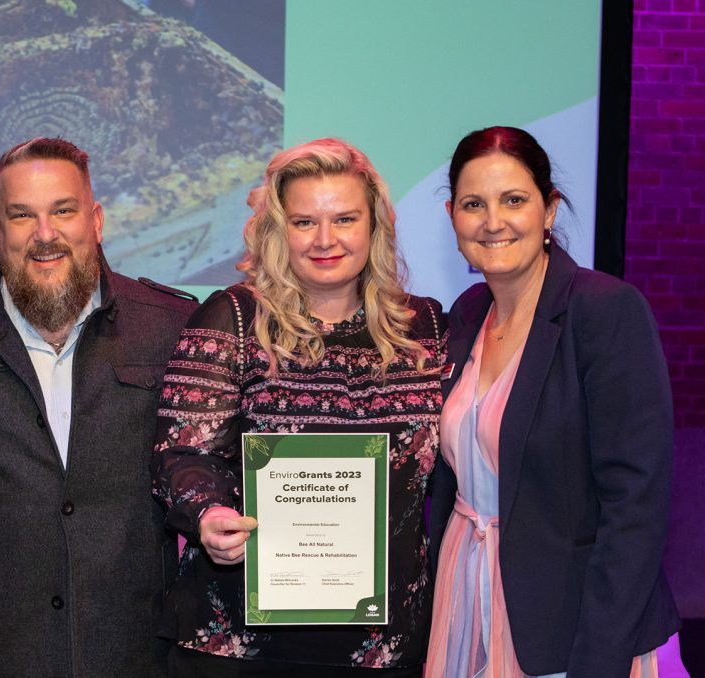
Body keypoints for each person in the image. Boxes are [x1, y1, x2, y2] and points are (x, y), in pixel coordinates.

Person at [0, 137, 197, 677]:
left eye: (63, 211)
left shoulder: (172, 327)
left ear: (95, 221)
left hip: (137, 646)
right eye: (22, 215)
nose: (44, 234)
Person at [151, 139, 445, 677]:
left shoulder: (424, 328)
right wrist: (209, 514)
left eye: (345, 219)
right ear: (276, 231)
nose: (326, 240)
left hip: (384, 646)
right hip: (241, 643)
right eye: (304, 221)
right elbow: (182, 450)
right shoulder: (235, 318)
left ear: (375, 226)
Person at [425, 126, 680, 678]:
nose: (493, 221)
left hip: (571, 625)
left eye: (513, 200)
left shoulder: (605, 311)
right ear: (452, 218)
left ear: (549, 210)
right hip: (465, 597)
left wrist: (600, 658)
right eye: (474, 204)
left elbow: (635, 506)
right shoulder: (467, 314)